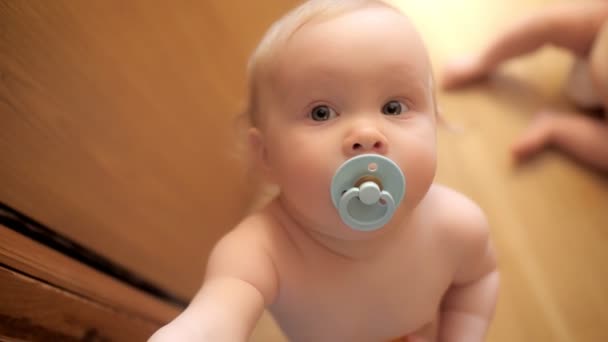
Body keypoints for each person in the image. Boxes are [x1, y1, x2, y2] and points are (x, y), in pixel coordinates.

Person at [149, 1, 499, 341]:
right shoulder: (263, 249)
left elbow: (477, 281)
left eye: (393, 107)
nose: (366, 135)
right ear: (267, 156)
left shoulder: (457, 225)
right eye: (321, 113)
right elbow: (220, 307)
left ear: (434, 123)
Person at [442, 1, 608, 171]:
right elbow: (544, 25)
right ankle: (482, 61)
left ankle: (555, 127)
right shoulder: (595, 19)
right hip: (595, 39)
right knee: (550, 23)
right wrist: (481, 62)